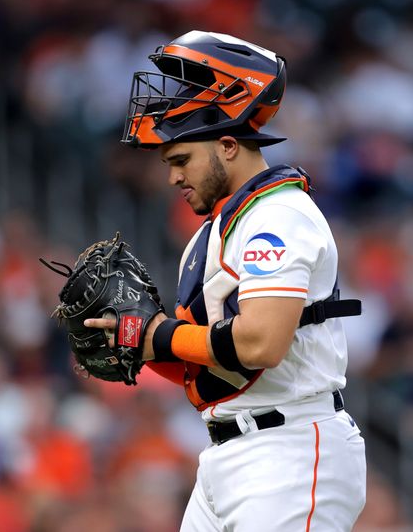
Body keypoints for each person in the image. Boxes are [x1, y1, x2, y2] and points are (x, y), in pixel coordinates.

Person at [87, 31, 366, 531]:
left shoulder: (279, 215)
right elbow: (207, 364)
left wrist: (158, 335)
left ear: (229, 145)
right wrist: (136, 343)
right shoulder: (212, 233)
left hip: (291, 452)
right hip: (228, 453)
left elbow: (261, 343)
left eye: (180, 160)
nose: (173, 177)